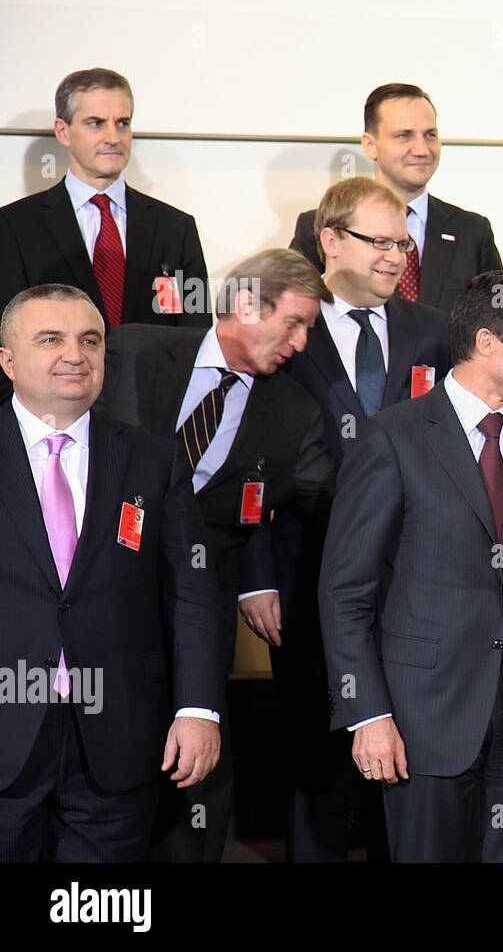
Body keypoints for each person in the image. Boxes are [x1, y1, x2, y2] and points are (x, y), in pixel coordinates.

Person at [318, 271, 503, 862]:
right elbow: (345, 593)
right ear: (488, 343)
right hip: (423, 721)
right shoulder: (391, 438)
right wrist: (368, 713)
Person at [97, 248, 335, 861]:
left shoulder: (296, 416)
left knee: (199, 777)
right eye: (296, 323)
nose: (302, 344)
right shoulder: (128, 352)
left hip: (194, 616)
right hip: (94, 601)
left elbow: (342, 501)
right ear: (248, 303)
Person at [0, 284, 225, 862]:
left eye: (90, 340)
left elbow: (192, 593)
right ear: (7, 360)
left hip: (119, 734)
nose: (75, 354)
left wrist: (198, 709)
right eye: (50, 339)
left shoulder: (153, 458)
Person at [276, 177, 451, 860]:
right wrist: (255, 579)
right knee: (314, 759)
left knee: (398, 752)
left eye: (401, 244)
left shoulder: (434, 332)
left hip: (413, 580)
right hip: (305, 572)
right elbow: (255, 459)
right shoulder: (290, 326)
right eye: (377, 242)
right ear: (329, 240)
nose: (393, 257)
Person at [0, 69, 210, 405]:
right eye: (96, 123)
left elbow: (194, 333)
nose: (113, 136)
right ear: (63, 131)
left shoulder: (175, 228)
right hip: (50, 421)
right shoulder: (14, 227)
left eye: (123, 123)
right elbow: (6, 336)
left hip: (152, 420)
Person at [290, 83, 501, 311]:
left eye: (430, 135)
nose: (422, 149)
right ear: (370, 146)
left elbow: (499, 316)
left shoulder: (472, 232)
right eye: (404, 136)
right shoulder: (321, 226)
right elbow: (286, 306)